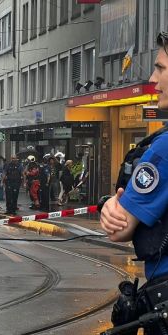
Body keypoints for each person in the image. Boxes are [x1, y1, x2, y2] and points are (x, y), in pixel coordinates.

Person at [100, 32, 168, 335]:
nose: (153, 79)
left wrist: (112, 204)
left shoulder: (164, 149)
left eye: (161, 68)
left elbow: (120, 229)